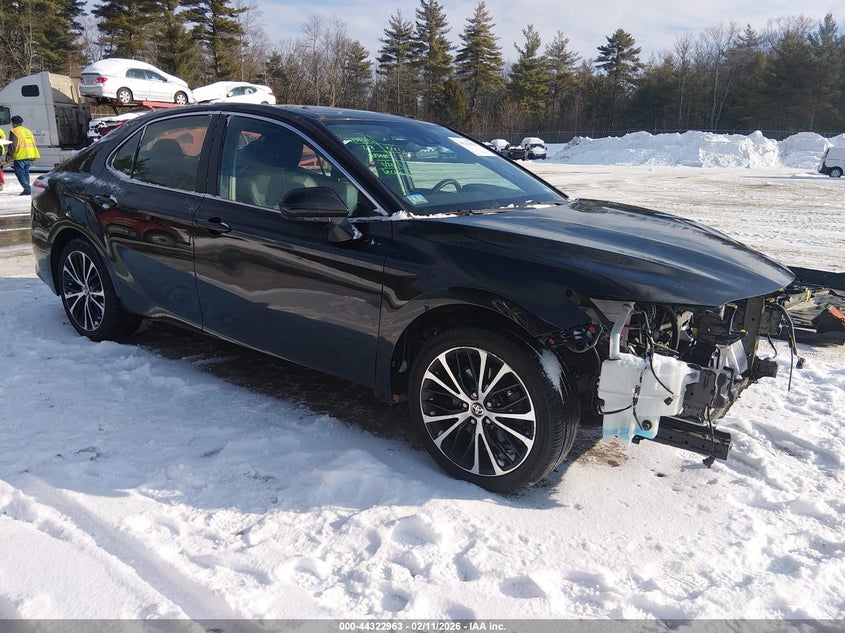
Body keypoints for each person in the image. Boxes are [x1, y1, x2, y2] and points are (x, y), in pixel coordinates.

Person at [10, 115, 40, 195]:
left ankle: (27, 189)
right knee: (26, 173)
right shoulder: (27, 130)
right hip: (30, 154)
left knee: (19, 173)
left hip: (20, 155)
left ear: (13, 123)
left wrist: (9, 155)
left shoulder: (14, 131)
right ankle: (27, 189)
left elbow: (13, 145)